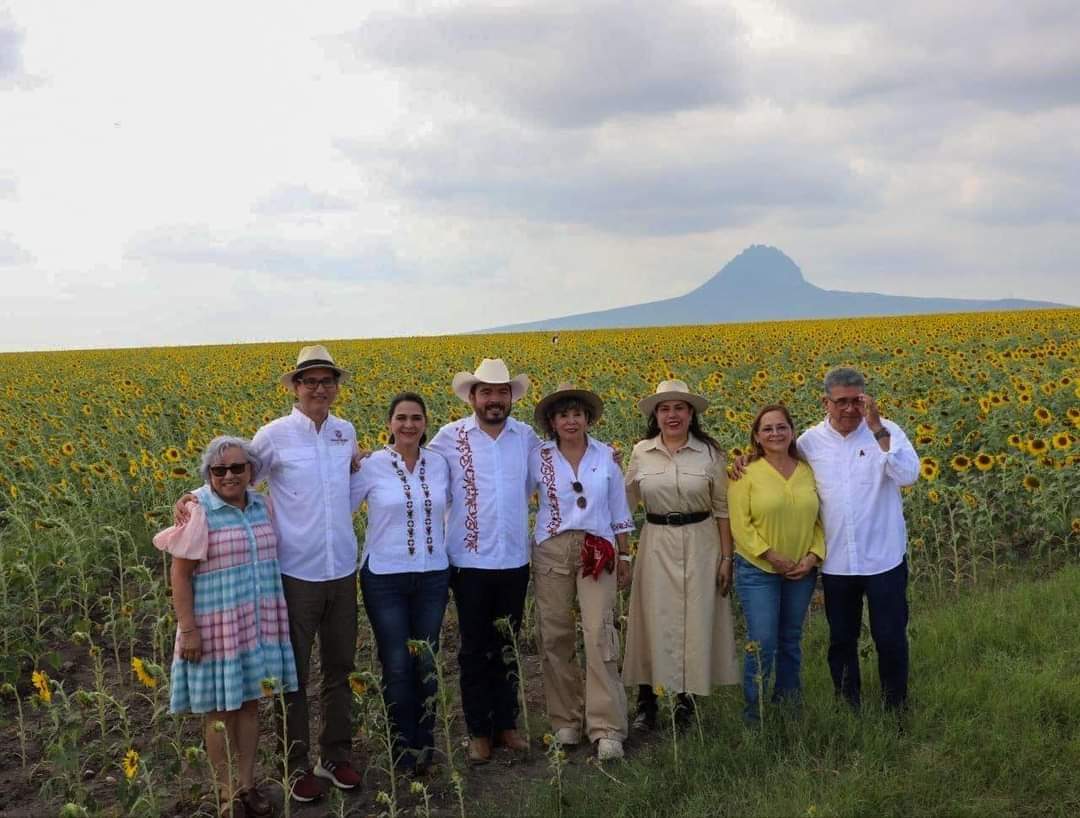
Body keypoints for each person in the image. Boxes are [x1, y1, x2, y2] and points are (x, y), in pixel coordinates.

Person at [173, 344, 363, 802]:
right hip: (295, 574)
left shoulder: (345, 432)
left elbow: (353, 474)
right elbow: (232, 468)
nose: (319, 388)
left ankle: (334, 755)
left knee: (340, 668)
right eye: (310, 381)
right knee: (293, 676)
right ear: (295, 388)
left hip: (342, 569)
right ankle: (297, 767)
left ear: (336, 387)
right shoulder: (274, 435)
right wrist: (193, 497)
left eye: (327, 380)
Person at [155, 436, 299, 818]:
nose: (229, 475)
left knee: (250, 706)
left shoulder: (262, 506)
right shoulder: (199, 510)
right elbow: (180, 575)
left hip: (255, 623)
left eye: (238, 467)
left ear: (251, 470)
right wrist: (188, 629)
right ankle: (225, 794)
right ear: (209, 475)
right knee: (218, 713)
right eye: (219, 470)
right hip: (214, 626)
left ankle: (248, 785)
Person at [427, 358, 539, 764]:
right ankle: (478, 730)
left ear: (511, 397)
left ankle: (506, 724)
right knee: (474, 647)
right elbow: (415, 466)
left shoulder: (526, 437)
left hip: (513, 558)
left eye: (502, 392)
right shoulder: (448, 437)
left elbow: (552, 473)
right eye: (487, 392)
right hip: (468, 561)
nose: (495, 399)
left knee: (507, 644)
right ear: (472, 397)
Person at [799, 367, 919, 711]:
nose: (850, 409)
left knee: (891, 638)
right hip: (837, 562)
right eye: (841, 402)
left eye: (857, 401)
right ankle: (848, 707)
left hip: (884, 558)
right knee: (842, 640)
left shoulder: (888, 432)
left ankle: (896, 707)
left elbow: (908, 475)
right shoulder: (809, 443)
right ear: (826, 402)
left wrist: (878, 428)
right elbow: (781, 471)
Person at [622, 379, 739, 730]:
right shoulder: (641, 452)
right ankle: (647, 700)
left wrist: (726, 558)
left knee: (694, 618)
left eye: (679, 408)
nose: (672, 415)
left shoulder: (710, 454)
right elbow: (622, 507)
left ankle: (685, 702)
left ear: (691, 414)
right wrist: (622, 553)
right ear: (655, 415)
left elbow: (722, 509)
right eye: (665, 408)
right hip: (657, 541)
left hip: (702, 542)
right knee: (651, 618)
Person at [528, 384, 635, 761]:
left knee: (599, 632)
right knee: (555, 634)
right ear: (551, 423)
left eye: (577, 414)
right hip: (552, 549)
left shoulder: (607, 455)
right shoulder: (536, 457)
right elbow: (514, 493)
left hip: (598, 548)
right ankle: (566, 720)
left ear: (588, 419)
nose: (570, 420)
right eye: (562, 415)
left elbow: (619, 507)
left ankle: (606, 727)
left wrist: (625, 556)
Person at [350, 392, 452, 775]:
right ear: (389, 423)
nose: (408, 425)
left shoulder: (440, 464)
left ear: (426, 423)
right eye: (401, 418)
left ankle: (426, 745)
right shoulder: (371, 465)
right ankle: (402, 749)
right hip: (384, 578)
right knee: (395, 664)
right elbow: (336, 503)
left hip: (433, 575)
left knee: (426, 660)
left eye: (416, 418)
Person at [728, 404, 825, 724]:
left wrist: (813, 556)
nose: (775, 433)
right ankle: (753, 716)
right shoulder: (745, 473)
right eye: (767, 429)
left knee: (790, 640)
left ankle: (788, 706)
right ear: (756, 436)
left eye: (781, 427)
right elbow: (740, 525)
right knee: (762, 642)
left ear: (792, 431)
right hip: (759, 571)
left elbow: (820, 521)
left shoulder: (807, 470)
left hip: (801, 570)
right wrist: (771, 555)